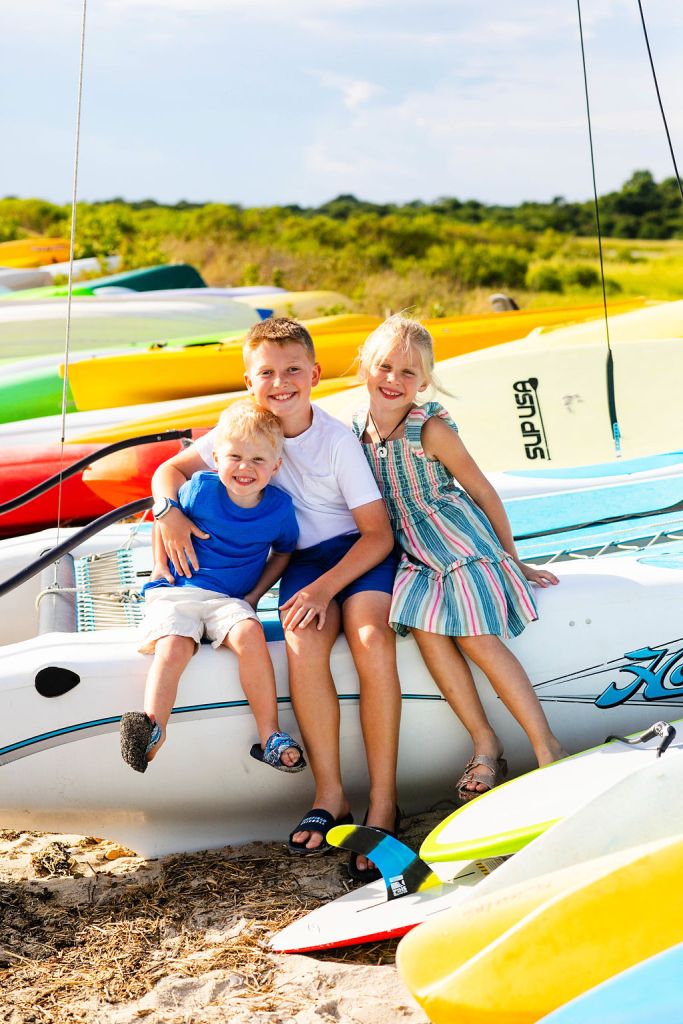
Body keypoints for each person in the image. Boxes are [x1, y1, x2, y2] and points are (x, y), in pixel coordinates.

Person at [149, 317, 401, 881]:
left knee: (369, 636)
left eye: (292, 370)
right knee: (302, 642)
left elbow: (378, 535)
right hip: (302, 559)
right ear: (249, 381)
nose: (280, 383)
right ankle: (331, 795)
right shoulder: (244, 429)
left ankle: (384, 803)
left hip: (356, 554)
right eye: (267, 372)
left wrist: (325, 587)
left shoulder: (334, 441)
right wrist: (167, 514)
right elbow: (170, 469)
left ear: (314, 375)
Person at [353, 315, 567, 801]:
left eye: (408, 373)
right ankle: (485, 742)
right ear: (365, 366)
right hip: (413, 551)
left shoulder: (428, 430)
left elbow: (483, 491)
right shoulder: (354, 430)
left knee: (472, 633)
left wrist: (514, 560)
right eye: (384, 367)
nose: (393, 379)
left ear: (424, 381)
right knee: (424, 626)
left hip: (457, 541)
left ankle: (547, 745)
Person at [120, 401, 305, 777]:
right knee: (174, 646)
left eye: (257, 459)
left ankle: (269, 735)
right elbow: (164, 518)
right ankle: (153, 728)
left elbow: (284, 552)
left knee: (250, 633)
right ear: (216, 458)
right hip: (179, 590)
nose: (245, 467)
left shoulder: (280, 509)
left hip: (229, 601)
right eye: (235, 456)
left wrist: (255, 595)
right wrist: (159, 564)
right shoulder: (200, 490)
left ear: (276, 466)